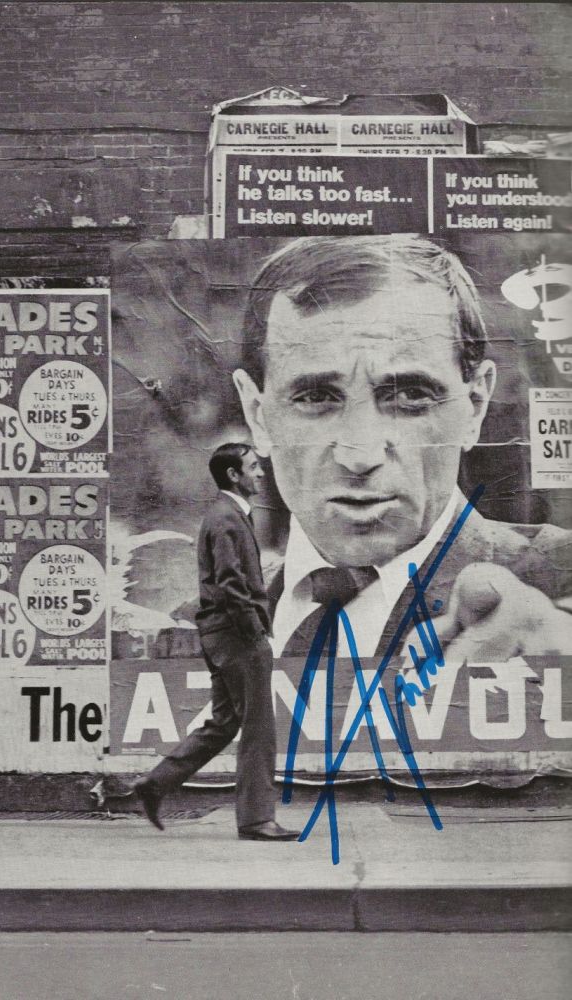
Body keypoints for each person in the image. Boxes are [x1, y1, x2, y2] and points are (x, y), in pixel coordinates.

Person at [232, 235, 572, 661]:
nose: (360, 456)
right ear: (257, 414)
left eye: (410, 395)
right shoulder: (190, 625)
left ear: (475, 405)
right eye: (315, 397)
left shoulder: (560, 573)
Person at [133, 443, 299, 841]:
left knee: (224, 722)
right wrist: (254, 630)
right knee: (259, 728)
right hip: (237, 636)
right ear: (233, 475)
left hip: (225, 634)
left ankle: (155, 784)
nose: (261, 473)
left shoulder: (228, 515)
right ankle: (257, 819)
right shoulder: (226, 519)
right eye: (253, 467)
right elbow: (229, 581)